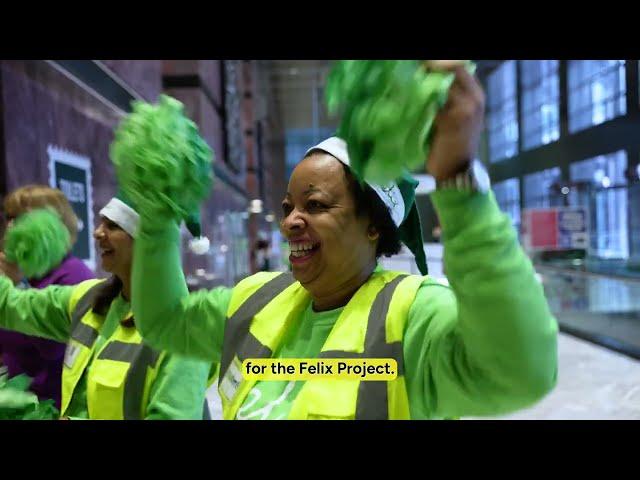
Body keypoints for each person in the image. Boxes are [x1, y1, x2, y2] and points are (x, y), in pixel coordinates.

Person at [130, 62, 558, 420]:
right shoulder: (255, 300)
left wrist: (458, 182)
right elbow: (165, 321)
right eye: (287, 207)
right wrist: (157, 215)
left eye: (314, 205)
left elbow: (519, 373)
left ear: (372, 224)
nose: (290, 222)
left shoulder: (412, 317)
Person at [0, 195, 212, 419]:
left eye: (113, 226)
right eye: (102, 223)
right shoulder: (88, 300)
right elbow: (12, 307)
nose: (97, 232)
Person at [0, 185, 95, 409]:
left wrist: (16, 285)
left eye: (22, 218)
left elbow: (51, 346)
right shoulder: (29, 274)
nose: (12, 226)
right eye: (9, 217)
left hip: (58, 407)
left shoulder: (74, 274)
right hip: (19, 401)